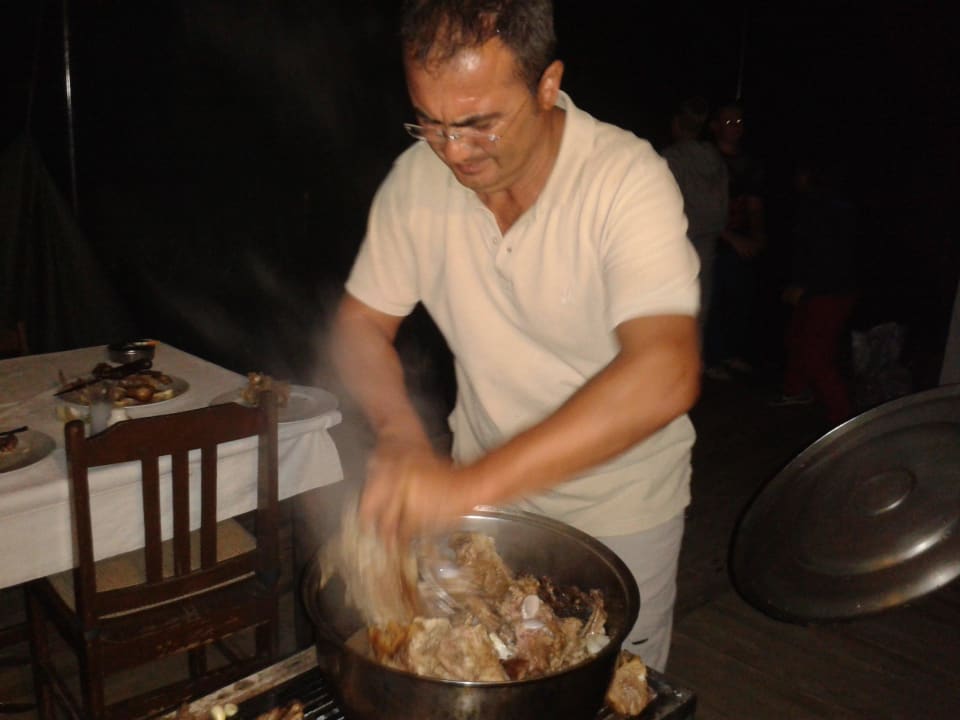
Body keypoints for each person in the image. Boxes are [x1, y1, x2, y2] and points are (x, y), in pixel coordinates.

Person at [329, 0, 701, 672]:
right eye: (430, 122)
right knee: (489, 675)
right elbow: (360, 325)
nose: (453, 151)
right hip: (489, 514)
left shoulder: (623, 179)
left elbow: (666, 372)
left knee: (613, 692)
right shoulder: (417, 182)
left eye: (479, 124)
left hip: (619, 510)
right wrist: (400, 433)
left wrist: (466, 486)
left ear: (547, 85)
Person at [770, 155, 859, 425]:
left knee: (816, 355)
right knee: (796, 338)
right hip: (820, 287)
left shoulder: (824, 207)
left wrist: (805, 286)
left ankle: (843, 418)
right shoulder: (819, 204)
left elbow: (829, 255)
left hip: (830, 291)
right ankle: (795, 390)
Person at [702, 101, 766, 380]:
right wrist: (730, 238)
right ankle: (712, 358)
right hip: (712, 241)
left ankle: (731, 353)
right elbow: (700, 208)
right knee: (713, 301)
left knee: (740, 299)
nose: (735, 127)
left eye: (739, 122)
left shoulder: (750, 163)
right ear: (715, 126)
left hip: (741, 241)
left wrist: (758, 235)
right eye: (729, 122)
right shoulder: (706, 160)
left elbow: (754, 203)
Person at [662, 97, 729, 340]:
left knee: (668, 320)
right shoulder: (716, 160)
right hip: (707, 251)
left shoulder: (669, 159)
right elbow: (722, 210)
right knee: (695, 321)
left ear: (676, 124)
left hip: (675, 251)